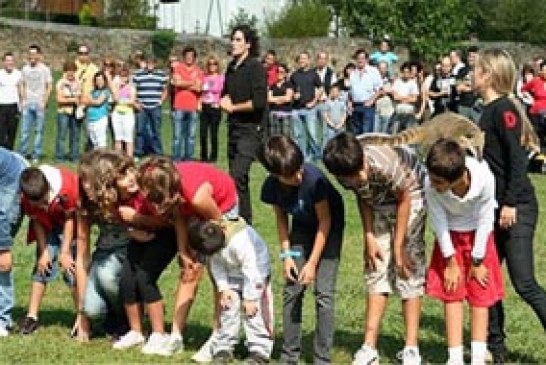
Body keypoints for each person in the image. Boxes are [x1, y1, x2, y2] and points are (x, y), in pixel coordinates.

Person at [323, 132, 427, 365]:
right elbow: (364, 197)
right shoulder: (344, 172)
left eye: (360, 170)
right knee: (376, 266)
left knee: (407, 268)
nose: (359, 177)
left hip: (411, 194)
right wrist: (369, 236)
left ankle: (411, 348)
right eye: (351, 177)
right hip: (378, 202)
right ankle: (369, 346)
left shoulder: (384, 163)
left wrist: (399, 247)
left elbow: (404, 199)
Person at [474, 48, 546, 363]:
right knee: (486, 276)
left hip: (515, 206)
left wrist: (511, 203)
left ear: (489, 74)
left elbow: (518, 160)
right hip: (493, 208)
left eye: (476, 69)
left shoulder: (505, 109)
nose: (471, 74)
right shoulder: (486, 110)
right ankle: (496, 346)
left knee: (524, 283)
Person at [136, 156, 239, 361]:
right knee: (189, 272)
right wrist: (184, 251)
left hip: (220, 212)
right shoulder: (170, 190)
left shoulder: (196, 195)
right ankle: (176, 336)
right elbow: (179, 216)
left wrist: (206, 256)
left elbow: (220, 227)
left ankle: (218, 335)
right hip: (192, 210)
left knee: (218, 274)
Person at [259, 135, 344, 364]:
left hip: (329, 229)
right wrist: (287, 256)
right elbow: (281, 220)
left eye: (299, 169)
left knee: (324, 294)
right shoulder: (271, 186)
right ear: (275, 175)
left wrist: (313, 263)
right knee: (292, 288)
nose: (298, 176)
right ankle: (289, 355)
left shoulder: (314, 181)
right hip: (302, 228)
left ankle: (322, 358)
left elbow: (325, 222)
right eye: (290, 175)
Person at [83, 152, 177, 355]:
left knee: (144, 279)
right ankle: (136, 331)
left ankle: (159, 334)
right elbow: (125, 222)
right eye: (123, 175)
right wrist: (133, 229)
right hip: (140, 236)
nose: (131, 177)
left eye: (130, 170)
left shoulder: (145, 190)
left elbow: (167, 221)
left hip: (165, 237)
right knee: (126, 281)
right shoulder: (114, 200)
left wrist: (138, 220)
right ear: (110, 184)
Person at [424, 138, 505, 365]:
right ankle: (455, 357)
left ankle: (478, 357)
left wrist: (477, 261)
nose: (432, 184)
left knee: (480, 295)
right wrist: (450, 262)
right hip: (450, 236)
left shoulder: (484, 177)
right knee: (452, 294)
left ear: (458, 177)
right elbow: (438, 222)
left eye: (438, 181)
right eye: (431, 178)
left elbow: (486, 219)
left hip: (478, 235)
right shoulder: (431, 185)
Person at [188, 218, 273, 363]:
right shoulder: (211, 243)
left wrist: (250, 298)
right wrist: (224, 288)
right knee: (227, 308)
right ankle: (224, 347)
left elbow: (251, 268)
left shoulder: (241, 240)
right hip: (231, 272)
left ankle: (259, 350)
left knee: (254, 311)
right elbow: (217, 265)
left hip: (256, 274)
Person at [74, 150, 131, 342]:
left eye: (90, 180)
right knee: (92, 310)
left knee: (106, 275)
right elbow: (82, 256)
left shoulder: (124, 196)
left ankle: (127, 317)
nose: (86, 186)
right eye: (82, 180)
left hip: (128, 252)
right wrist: (82, 314)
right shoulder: (85, 205)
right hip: (103, 253)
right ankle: (111, 315)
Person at [18, 165, 79, 335]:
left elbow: (69, 219)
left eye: (45, 202)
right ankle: (32, 316)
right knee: (41, 267)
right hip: (46, 226)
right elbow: (36, 220)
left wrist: (65, 251)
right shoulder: (28, 196)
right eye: (38, 204)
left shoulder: (66, 190)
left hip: (68, 224)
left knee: (71, 269)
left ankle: (81, 317)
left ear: (48, 189)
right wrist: (44, 251)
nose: (43, 206)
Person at [220, 24, 267, 225]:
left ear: (248, 44)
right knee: (237, 179)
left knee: (238, 174)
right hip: (234, 128)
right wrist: (222, 101)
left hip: (251, 128)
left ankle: (243, 219)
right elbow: (225, 94)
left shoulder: (255, 67)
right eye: (233, 39)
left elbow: (259, 102)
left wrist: (234, 107)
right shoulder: (231, 68)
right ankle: (242, 218)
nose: (234, 43)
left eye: (239, 39)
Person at [0, 147, 29, 337]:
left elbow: (1, 213)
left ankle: (2, 319)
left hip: (12, 177)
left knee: (0, 260)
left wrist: (3, 248)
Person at [18, 45, 52, 163]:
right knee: (24, 131)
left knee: (39, 131)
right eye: (30, 53)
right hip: (28, 103)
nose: (32, 56)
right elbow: (21, 84)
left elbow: (49, 86)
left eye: (34, 54)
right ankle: (22, 153)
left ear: (38, 55)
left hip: (40, 104)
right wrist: (23, 99)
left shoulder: (44, 69)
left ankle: (36, 154)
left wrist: (44, 101)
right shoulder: (25, 69)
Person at [171, 46, 203, 161]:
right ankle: (176, 159)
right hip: (179, 106)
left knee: (191, 136)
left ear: (194, 58)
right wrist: (192, 82)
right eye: (187, 56)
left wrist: (184, 83)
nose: (189, 58)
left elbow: (199, 88)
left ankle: (189, 158)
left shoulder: (199, 71)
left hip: (192, 107)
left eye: (191, 56)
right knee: (177, 136)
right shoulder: (178, 68)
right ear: (184, 57)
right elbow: (176, 83)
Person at [290, 51, 323, 161]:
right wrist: (294, 95)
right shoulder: (294, 75)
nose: (301, 61)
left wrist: (314, 102)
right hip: (296, 109)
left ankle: (316, 156)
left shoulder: (313, 74)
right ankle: (302, 156)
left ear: (308, 60)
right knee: (298, 136)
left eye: (304, 58)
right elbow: (291, 91)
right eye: (300, 59)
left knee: (312, 134)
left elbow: (321, 88)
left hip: (310, 109)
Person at [133, 56, 168, 157]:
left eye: (152, 62)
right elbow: (133, 89)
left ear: (155, 64)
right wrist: (136, 102)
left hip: (155, 106)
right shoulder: (138, 74)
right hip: (142, 107)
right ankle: (139, 152)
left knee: (155, 131)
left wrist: (161, 101)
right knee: (139, 131)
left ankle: (157, 153)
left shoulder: (161, 75)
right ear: (145, 63)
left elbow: (165, 89)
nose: (150, 64)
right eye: (148, 62)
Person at [349, 49, 383, 134]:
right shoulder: (353, 73)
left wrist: (372, 100)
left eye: (362, 58)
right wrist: (349, 103)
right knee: (356, 134)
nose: (360, 60)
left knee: (366, 134)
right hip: (355, 106)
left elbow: (381, 89)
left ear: (367, 60)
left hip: (368, 106)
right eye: (358, 58)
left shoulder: (373, 71)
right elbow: (351, 91)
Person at [55, 61, 82, 162]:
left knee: (75, 136)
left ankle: (74, 156)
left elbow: (80, 97)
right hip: (63, 112)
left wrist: (77, 101)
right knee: (61, 135)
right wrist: (72, 100)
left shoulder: (78, 82)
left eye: (72, 71)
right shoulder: (60, 83)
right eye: (68, 71)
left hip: (75, 112)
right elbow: (59, 99)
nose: (70, 73)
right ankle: (59, 157)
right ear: (65, 72)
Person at [200, 55, 224, 162]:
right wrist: (199, 103)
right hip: (205, 106)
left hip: (215, 107)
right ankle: (203, 156)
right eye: (210, 64)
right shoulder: (204, 77)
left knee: (213, 134)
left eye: (214, 64)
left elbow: (224, 93)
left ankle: (213, 156)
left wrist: (219, 103)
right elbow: (200, 91)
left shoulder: (221, 77)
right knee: (203, 133)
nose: (212, 66)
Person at [112, 66, 137, 157]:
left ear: (128, 77)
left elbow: (132, 101)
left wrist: (123, 100)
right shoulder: (116, 86)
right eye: (121, 76)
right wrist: (118, 88)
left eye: (125, 76)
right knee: (118, 138)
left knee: (128, 138)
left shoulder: (132, 87)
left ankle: (129, 158)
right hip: (117, 114)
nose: (123, 78)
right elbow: (115, 99)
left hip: (128, 114)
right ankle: (118, 158)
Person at [0, 52, 23, 150]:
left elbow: (21, 89)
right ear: (3, 62)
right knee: (1, 133)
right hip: (1, 106)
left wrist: (21, 105)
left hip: (13, 106)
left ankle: (10, 153)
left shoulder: (18, 74)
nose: (9, 63)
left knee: (12, 132)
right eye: (7, 60)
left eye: (11, 60)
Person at [389, 62, 419, 134]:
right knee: (395, 134)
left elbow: (414, 99)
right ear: (401, 72)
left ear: (410, 73)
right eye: (404, 72)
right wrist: (408, 97)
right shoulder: (397, 82)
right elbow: (395, 97)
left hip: (409, 113)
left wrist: (401, 98)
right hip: (398, 113)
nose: (406, 74)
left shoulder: (413, 83)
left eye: (408, 72)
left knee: (408, 135)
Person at [84, 72, 111, 149]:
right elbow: (85, 101)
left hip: (100, 118)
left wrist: (89, 100)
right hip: (90, 119)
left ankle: (103, 159)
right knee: (94, 142)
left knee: (101, 141)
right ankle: (96, 159)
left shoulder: (105, 91)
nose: (99, 82)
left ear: (104, 81)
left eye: (101, 80)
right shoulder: (93, 92)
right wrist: (90, 100)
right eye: (97, 80)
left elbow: (98, 102)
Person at [267, 63, 294, 137]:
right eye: (278, 72)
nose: (279, 73)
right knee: (274, 137)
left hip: (286, 114)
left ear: (285, 73)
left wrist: (275, 99)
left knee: (286, 137)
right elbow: (269, 99)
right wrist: (282, 98)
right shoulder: (272, 86)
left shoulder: (289, 84)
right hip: (274, 114)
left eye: (282, 72)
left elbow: (288, 98)